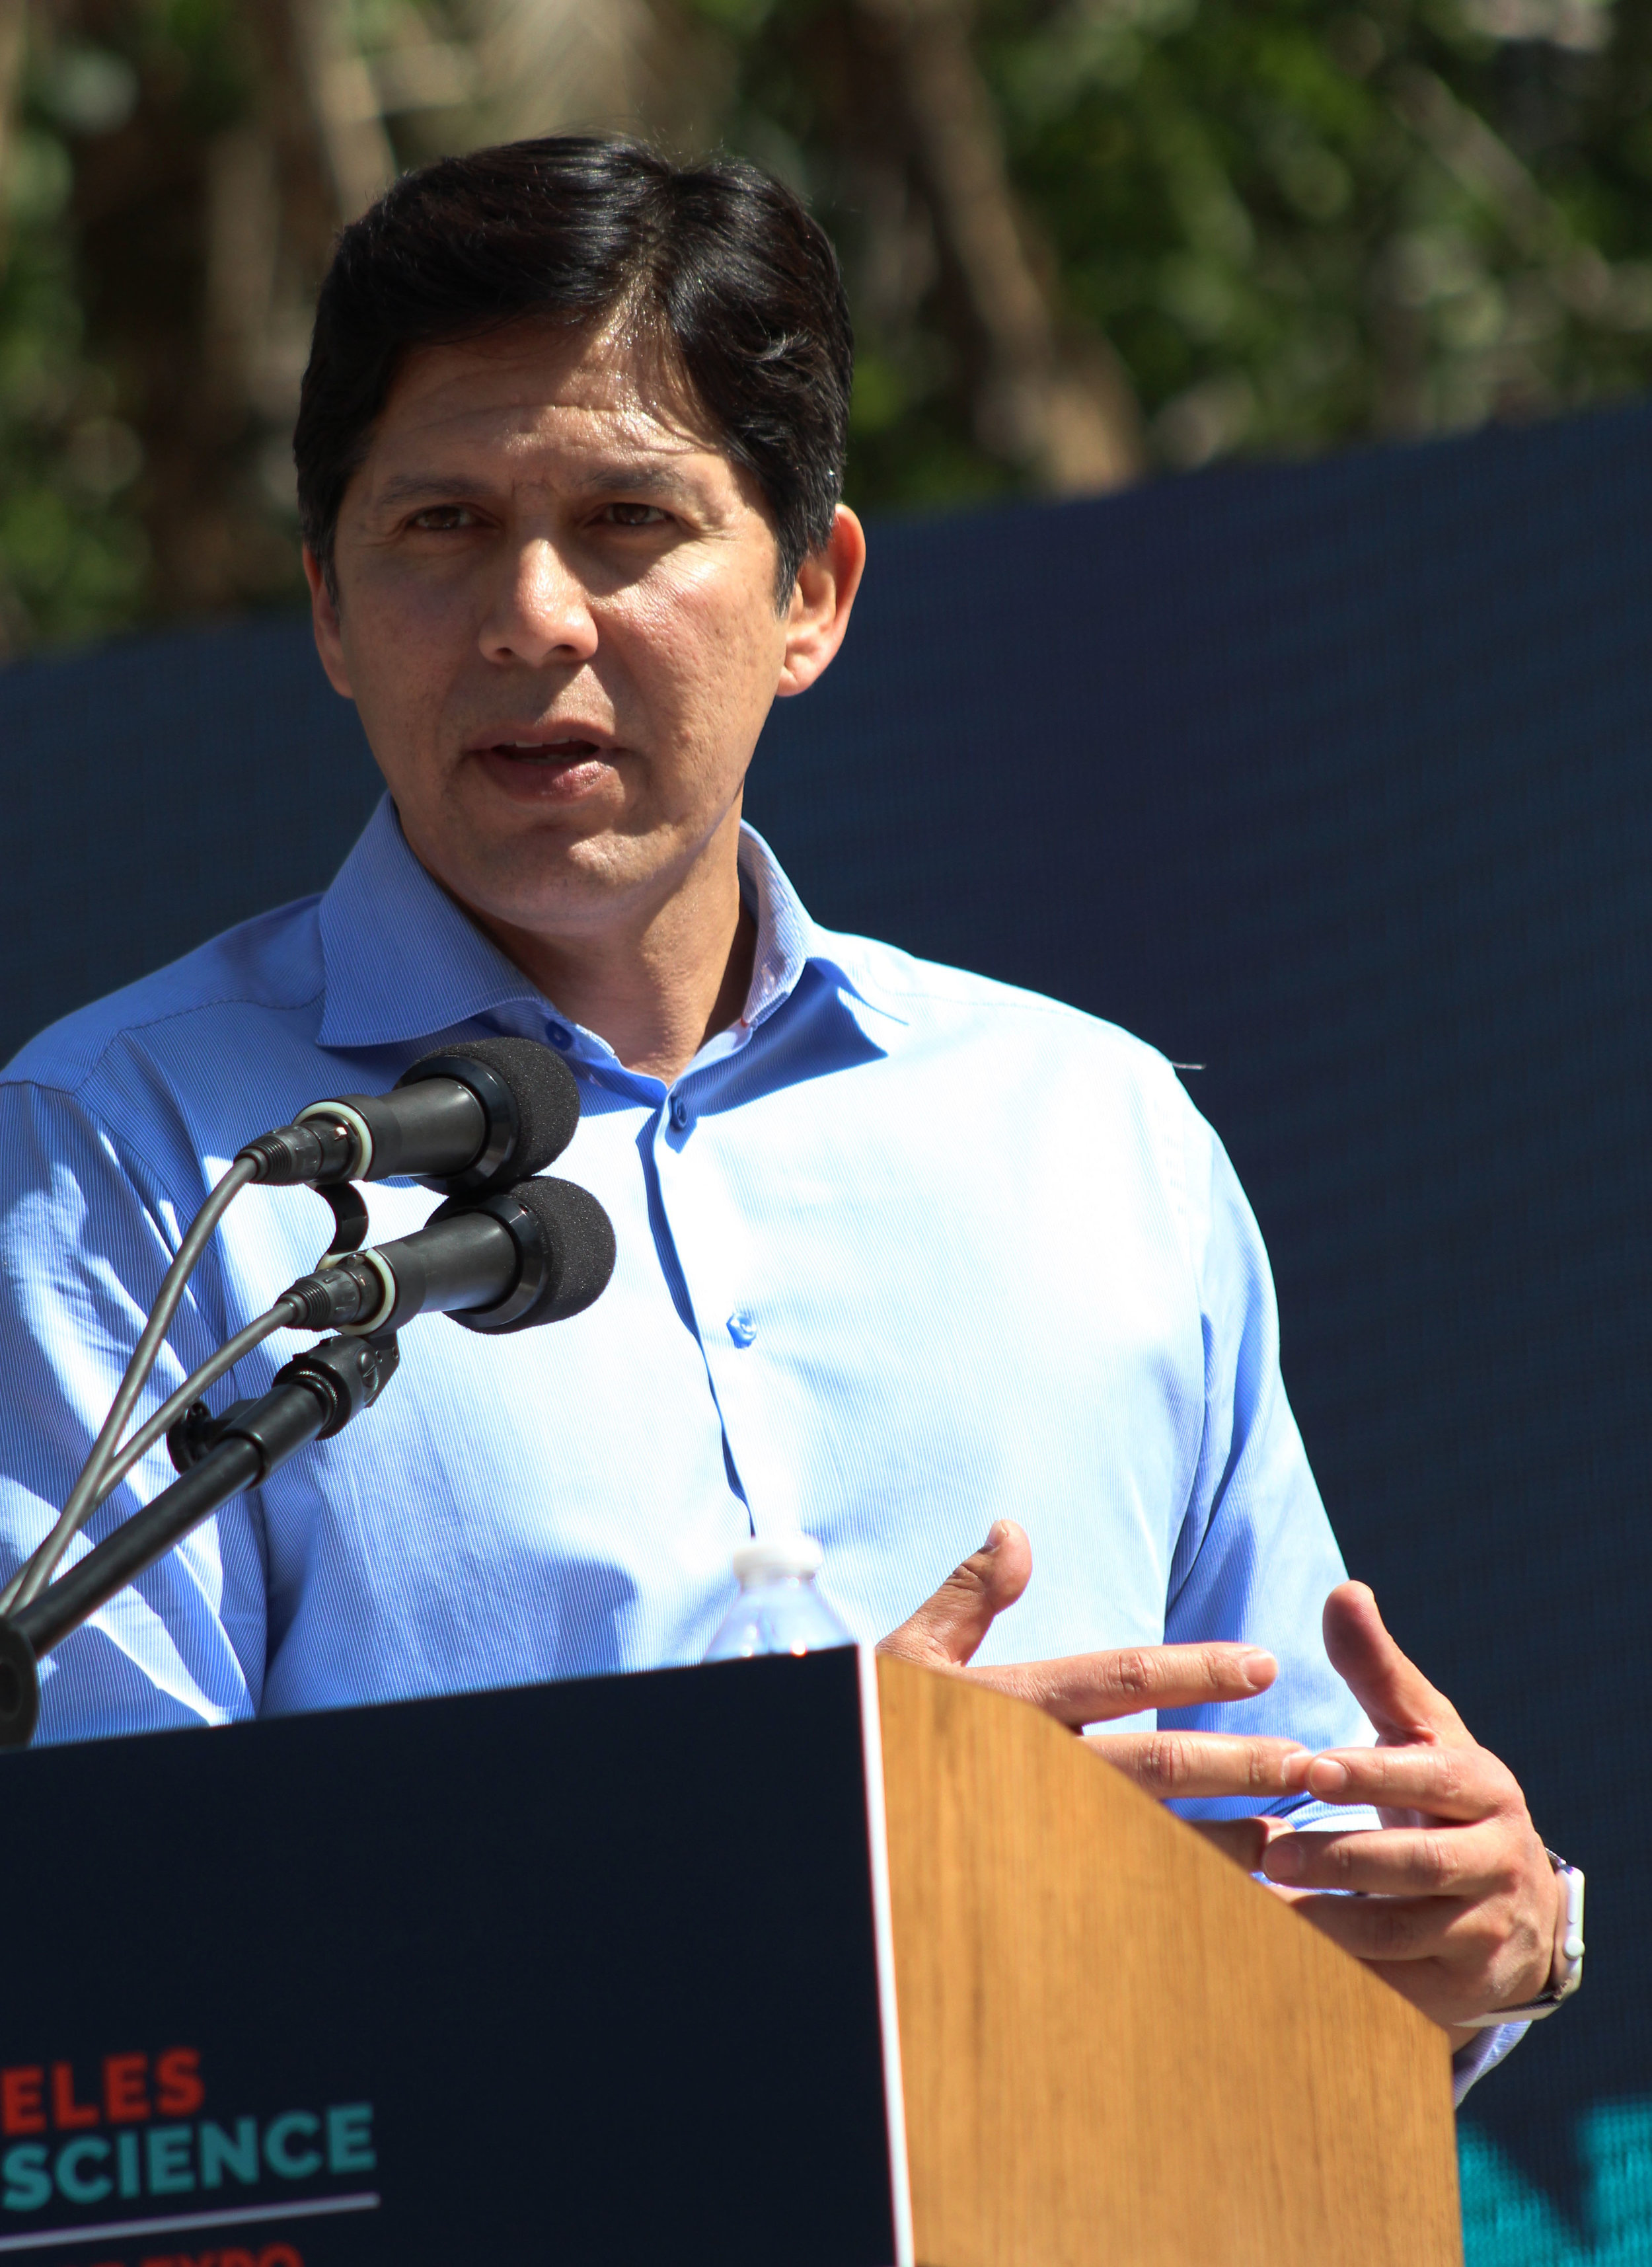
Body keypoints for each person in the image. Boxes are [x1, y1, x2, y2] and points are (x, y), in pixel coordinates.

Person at [0, 137, 1573, 2095]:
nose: (530, 615)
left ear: (810, 593)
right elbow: (105, 1980)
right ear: (327, 609)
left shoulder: (1094, 1137)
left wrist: (1482, 1951)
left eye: (627, 519)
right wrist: (762, 1869)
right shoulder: (129, 1156)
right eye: (440, 525)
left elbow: (1315, 1904)